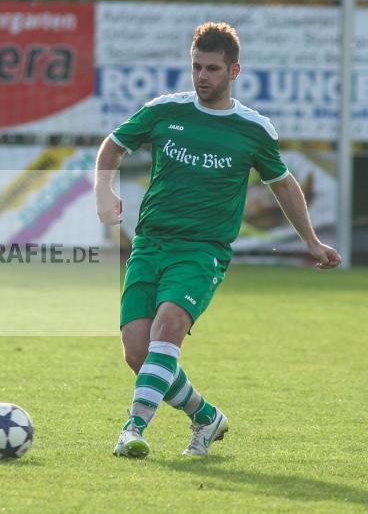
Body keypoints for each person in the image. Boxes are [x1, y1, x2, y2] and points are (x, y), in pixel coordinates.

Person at [95, 23, 341, 459]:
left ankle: (133, 428)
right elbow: (112, 146)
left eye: (211, 68)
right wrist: (104, 191)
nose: (201, 76)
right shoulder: (165, 111)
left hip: (202, 252)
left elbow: (283, 184)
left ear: (234, 71)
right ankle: (207, 418)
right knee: (138, 354)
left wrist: (312, 240)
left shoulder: (253, 129)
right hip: (149, 246)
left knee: (167, 329)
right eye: (196, 67)